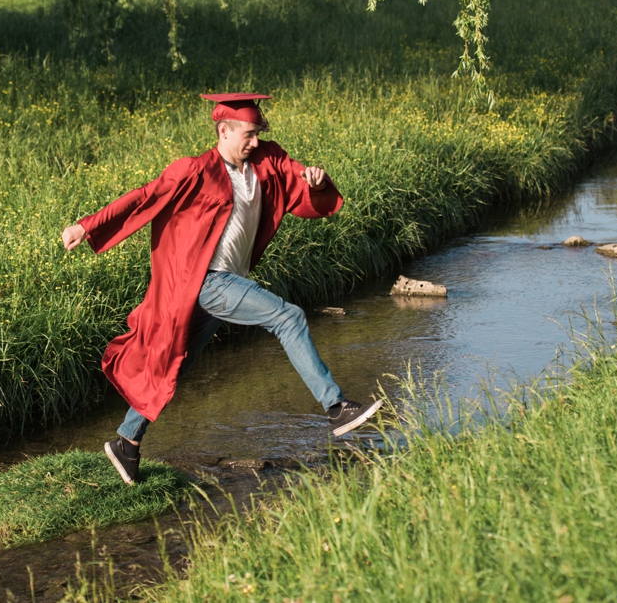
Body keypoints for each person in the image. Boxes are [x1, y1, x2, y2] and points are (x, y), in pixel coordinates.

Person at [61, 93, 382, 485]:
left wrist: (315, 179)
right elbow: (143, 197)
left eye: (259, 133)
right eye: (248, 134)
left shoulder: (267, 159)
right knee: (288, 316)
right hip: (207, 281)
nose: (254, 141)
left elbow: (303, 185)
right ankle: (337, 408)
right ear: (223, 130)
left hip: (226, 282)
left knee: (177, 361)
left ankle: (127, 441)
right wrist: (87, 225)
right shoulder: (193, 171)